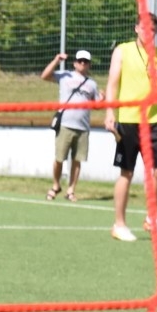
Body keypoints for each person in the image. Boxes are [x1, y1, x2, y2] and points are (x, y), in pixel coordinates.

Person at [103, 14, 157, 242]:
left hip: (153, 121)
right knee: (127, 172)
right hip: (128, 120)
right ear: (136, 28)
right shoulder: (122, 51)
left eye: (152, 29)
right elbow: (112, 84)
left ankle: (153, 219)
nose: (147, 32)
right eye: (144, 28)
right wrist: (110, 112)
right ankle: (119, 224)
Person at [40, 48, 101, 203]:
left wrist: (102, 100)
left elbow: (96, 105)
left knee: (77, 160)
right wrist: (56, 60)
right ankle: (56, 185)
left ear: (89, 64)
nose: (83, 64)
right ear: (75, 63)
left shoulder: (92, 84)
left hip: (83, 127)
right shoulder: (65, 76)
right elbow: (45, 76)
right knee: (59, 158)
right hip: (65, 124)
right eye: (80, 61)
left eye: (86, 61)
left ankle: (71, 190)